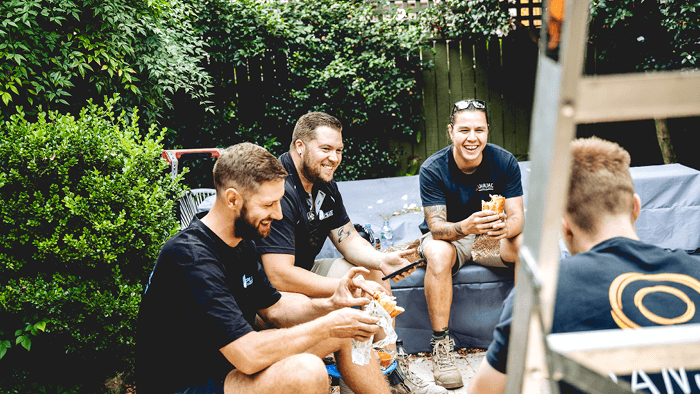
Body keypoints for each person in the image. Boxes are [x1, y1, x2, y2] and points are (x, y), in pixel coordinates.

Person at [138, 143, 394, 394]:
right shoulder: (190, 257)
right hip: (188, 385)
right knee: (306, 371)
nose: (279, 214)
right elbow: (248, 355)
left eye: (279, 202)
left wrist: (331, 304)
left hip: (228, 371)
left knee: (348, 332)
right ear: (232, 199)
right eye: (269, 204)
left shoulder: (241, 242)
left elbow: (276, 308)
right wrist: (327, 325)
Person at [468, 137, 700, 394]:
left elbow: (483, 391)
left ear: (564, 225)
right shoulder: (695, 271)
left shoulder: (545, 291)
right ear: (635, 207)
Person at [257, 112, 447, 394]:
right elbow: (278, 275)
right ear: (299, 147)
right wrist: (343, 287)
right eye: (325, 149)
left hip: (304, 275)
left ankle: (389, 369)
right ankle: (361, 375)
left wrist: (382, 261)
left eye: (338, 150)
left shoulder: (323, 183)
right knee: (360, 284)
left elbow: (347, 238)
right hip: (270, 293)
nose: (334, 158)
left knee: (371, 273)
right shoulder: (280, 189)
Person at [417, 99, 524, 389]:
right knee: (437, 253)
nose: (472, 138)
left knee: (526, 245)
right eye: (464, 130)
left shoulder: (504, 161)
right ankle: (442, 346)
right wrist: (466, 226)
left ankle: (523, 338)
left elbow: (517, 216)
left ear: (488, 131)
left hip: (490, 238)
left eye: (479, 130)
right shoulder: (433, 168)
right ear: (451, 131)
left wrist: (506, 226)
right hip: (451, 238)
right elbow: (437, 229)